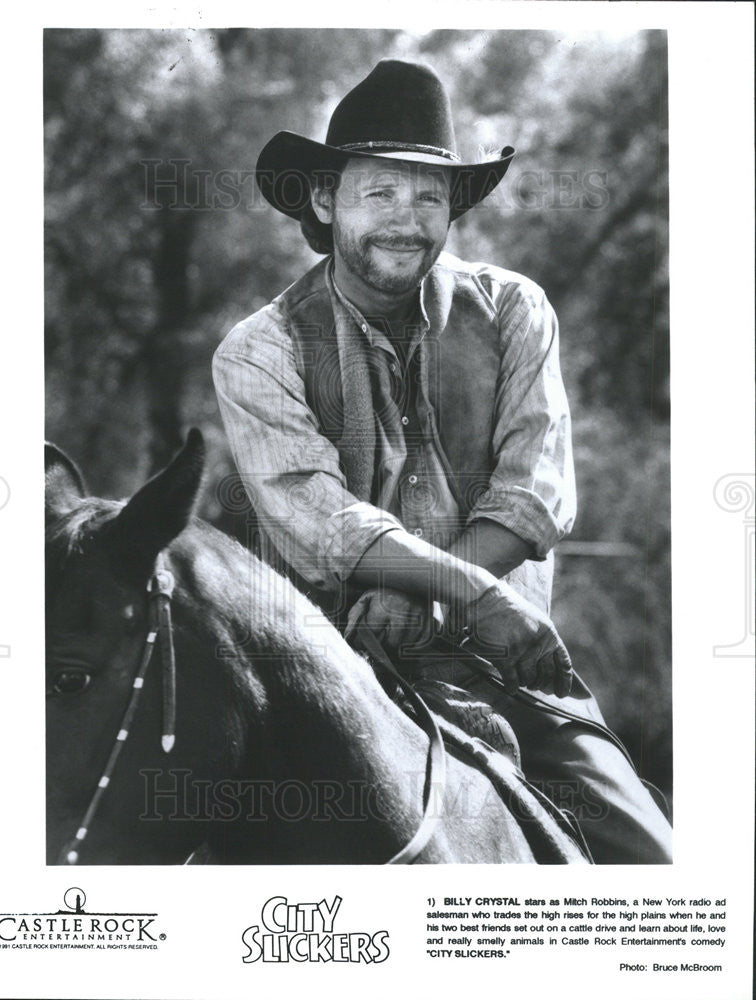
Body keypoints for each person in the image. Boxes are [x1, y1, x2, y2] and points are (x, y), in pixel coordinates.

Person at [213, 59, 672, 863]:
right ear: (326, 200)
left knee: (657, 866)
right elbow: (322, 518)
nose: (407, 218)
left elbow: (534, 492)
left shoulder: (514, 310)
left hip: (511, 672)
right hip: (328, 679)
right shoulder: (261, 349)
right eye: (380, 193)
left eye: (430, 195)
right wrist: (467, 589)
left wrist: (434, 602)